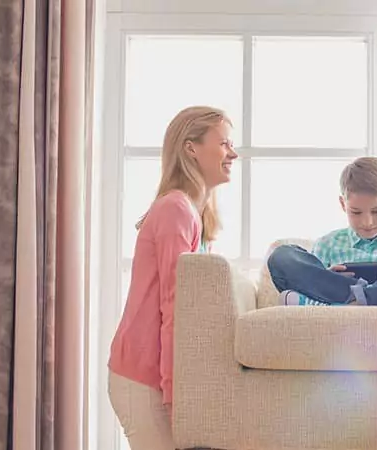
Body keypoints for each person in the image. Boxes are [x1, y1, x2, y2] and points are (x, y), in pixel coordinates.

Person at [107, 106, 238, 449]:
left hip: (153, 375)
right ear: (191, 148)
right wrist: (173, 390)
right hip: (144, 377)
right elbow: (175, 306)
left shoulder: (192, 214)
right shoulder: (175, 210)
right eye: (224, 143)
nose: (233, 153)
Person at [267, 156, 377, 309]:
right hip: (355, 302)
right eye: (356, 212)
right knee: (282, 256)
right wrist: (328, 276)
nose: (367, 222)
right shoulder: (327, 244)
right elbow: (311, 281)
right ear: (343, 204)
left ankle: (359, 301)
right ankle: (365, 301)